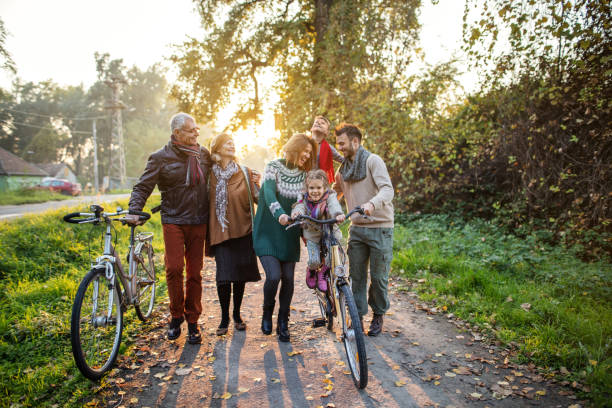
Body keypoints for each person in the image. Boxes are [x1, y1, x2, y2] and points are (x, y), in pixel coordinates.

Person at [127, 112, 211, 345]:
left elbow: (221, 174)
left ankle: (193, 321)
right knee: (174, 268)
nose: (196, 133)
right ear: (176, 133)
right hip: (173, 218)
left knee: (195, 273)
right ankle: (176, 316)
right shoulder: (160, 157)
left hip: (198, 220)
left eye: (197, 129)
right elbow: (143, 187)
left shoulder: (203, 155)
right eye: (191, 130)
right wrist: (135, 210)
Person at [253, 133, 317, 342]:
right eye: (304, 151)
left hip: (289, 235)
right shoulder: (273, 167)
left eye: (309, 153)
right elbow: (268, 193)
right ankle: (266, 312)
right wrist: (279, 213)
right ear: (294, 148)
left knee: (288, 278)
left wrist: (300, 212)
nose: (307, 156)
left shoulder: (304, 176)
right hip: (268, 232)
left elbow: (302, 200)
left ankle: (283, 321)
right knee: (273, 276)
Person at [333, 123, 394, 337]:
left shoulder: (372, 161)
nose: (339, 147)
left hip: (380, 228)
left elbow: (387, 190)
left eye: (342, 143)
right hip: (357, 229)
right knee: (356, 277)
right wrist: (325, 206)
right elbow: (335, 193)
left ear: (355, 141)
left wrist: (372, 204)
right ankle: (357, 318)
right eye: (337, 143)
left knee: (378, 278)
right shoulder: (343, 170)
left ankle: (378, 314)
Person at [207, 133, 261, 336]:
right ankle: (223, 318)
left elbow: (258, 198)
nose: (231, 145)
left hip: (244, 230)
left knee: (239, 276)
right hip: (219, 231)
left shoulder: (245, 172)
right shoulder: (208, 175)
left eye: (233, 143)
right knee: (223, 276)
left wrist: (262, 186)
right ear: (217, 149)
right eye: (226, 143)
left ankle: (237, 315)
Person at [290, 169, 345, 292]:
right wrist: (297, 213)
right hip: (312, 234)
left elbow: (334, 206)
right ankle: (312, 269)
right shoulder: (304, 200)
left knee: (333, 259)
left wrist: (337, 214)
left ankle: (323, 273)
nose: (315, 191)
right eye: (312, 188)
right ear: (307, 188)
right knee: (315, 261)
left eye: (319, 187)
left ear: (325, 187)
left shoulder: (330, 196)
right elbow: (299, 207)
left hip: (330, 232)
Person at [310, 115, 343, 183]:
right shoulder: (302, 141)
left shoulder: (329, 148)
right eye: (316, 122)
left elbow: (343, 160)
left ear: (327, 132)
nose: (318, 123)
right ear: (311, 128)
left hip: (318, 185)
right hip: (301, 183)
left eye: (322, 123)